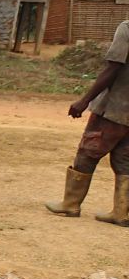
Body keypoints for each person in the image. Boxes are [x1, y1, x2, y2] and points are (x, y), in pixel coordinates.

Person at [45, 20, 129, 226]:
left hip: (114, 107)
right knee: (124, 158)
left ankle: (70, 203)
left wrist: (84, 100)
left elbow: (113, 68)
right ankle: (121, 212)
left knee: (89, 150)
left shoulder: (127, 28)